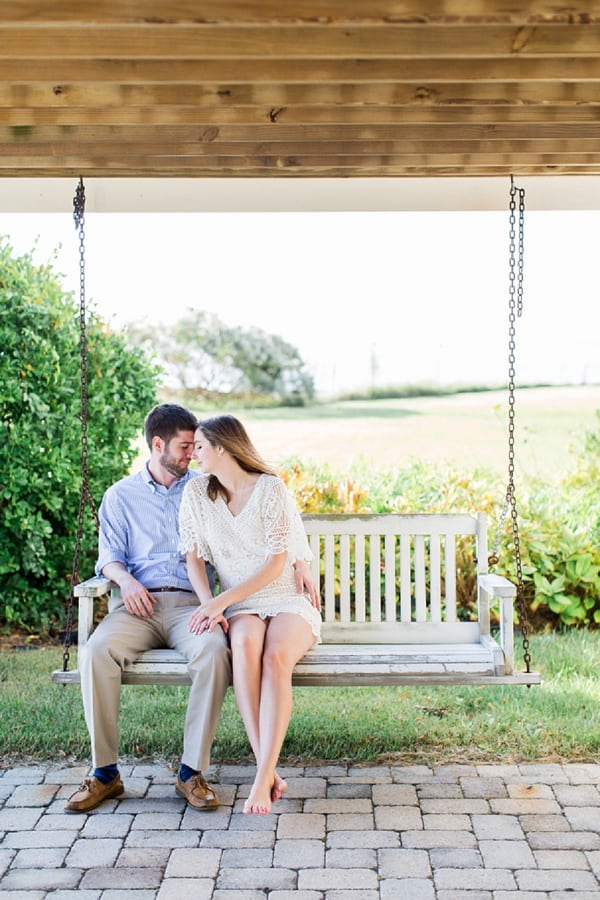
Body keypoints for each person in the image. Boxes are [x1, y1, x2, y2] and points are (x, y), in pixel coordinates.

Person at [65, 403, 318, 814]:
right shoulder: (120, 496)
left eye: (196, 446)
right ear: (158, 444)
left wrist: (299, 561)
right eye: (185, 447)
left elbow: (280, 516)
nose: (191, 455)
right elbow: (108, 557)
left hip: (191, 604)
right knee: (96, 652)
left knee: (215, 652)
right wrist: (126, 581)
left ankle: (191, 772)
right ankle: (105, 773)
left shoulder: (206, 483)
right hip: (138, 603)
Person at [178, 414, 322, 816]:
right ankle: (267, 768)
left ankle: (262, 778)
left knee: (275, 657)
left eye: (200, 447)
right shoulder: (196, 495)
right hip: (239, 605)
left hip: (284, 595)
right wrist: (212, 603)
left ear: (222, 447)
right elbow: (193, 559)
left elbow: (278, 563)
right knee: (243, 646)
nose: (193, 455)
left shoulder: (270, 488)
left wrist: (219, 603)